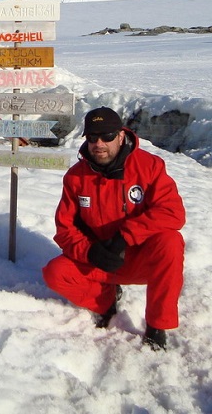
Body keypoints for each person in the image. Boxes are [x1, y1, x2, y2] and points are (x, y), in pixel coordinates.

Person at [42, 107, 186, 350]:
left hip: (140, 258)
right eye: (92, 137)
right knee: (55, 273)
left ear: (120, 135)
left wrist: (125, 237)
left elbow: (173, 212)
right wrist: (90, 252)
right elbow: (65, 229)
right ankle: (106, 302)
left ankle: (156, 325)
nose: (99, 143)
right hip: (101, 261)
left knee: (171, 242)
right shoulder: (76, 177)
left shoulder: (149, 167)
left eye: (107, 136)